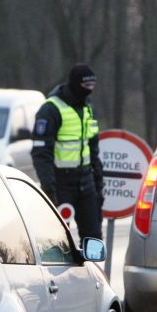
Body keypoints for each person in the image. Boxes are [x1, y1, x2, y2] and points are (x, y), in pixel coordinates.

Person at [31, 63, 105, 242]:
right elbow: (41, 153)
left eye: (92, 86)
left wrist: (98, 185)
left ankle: (91, 268)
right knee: (57, 238)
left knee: (93, 237)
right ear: (75, 84)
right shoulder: (51, 109)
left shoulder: (88, 108)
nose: (90, 91)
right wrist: (49, 190)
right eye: (86, 86)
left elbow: (93, 149)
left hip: (86, 183)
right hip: (61, 183)